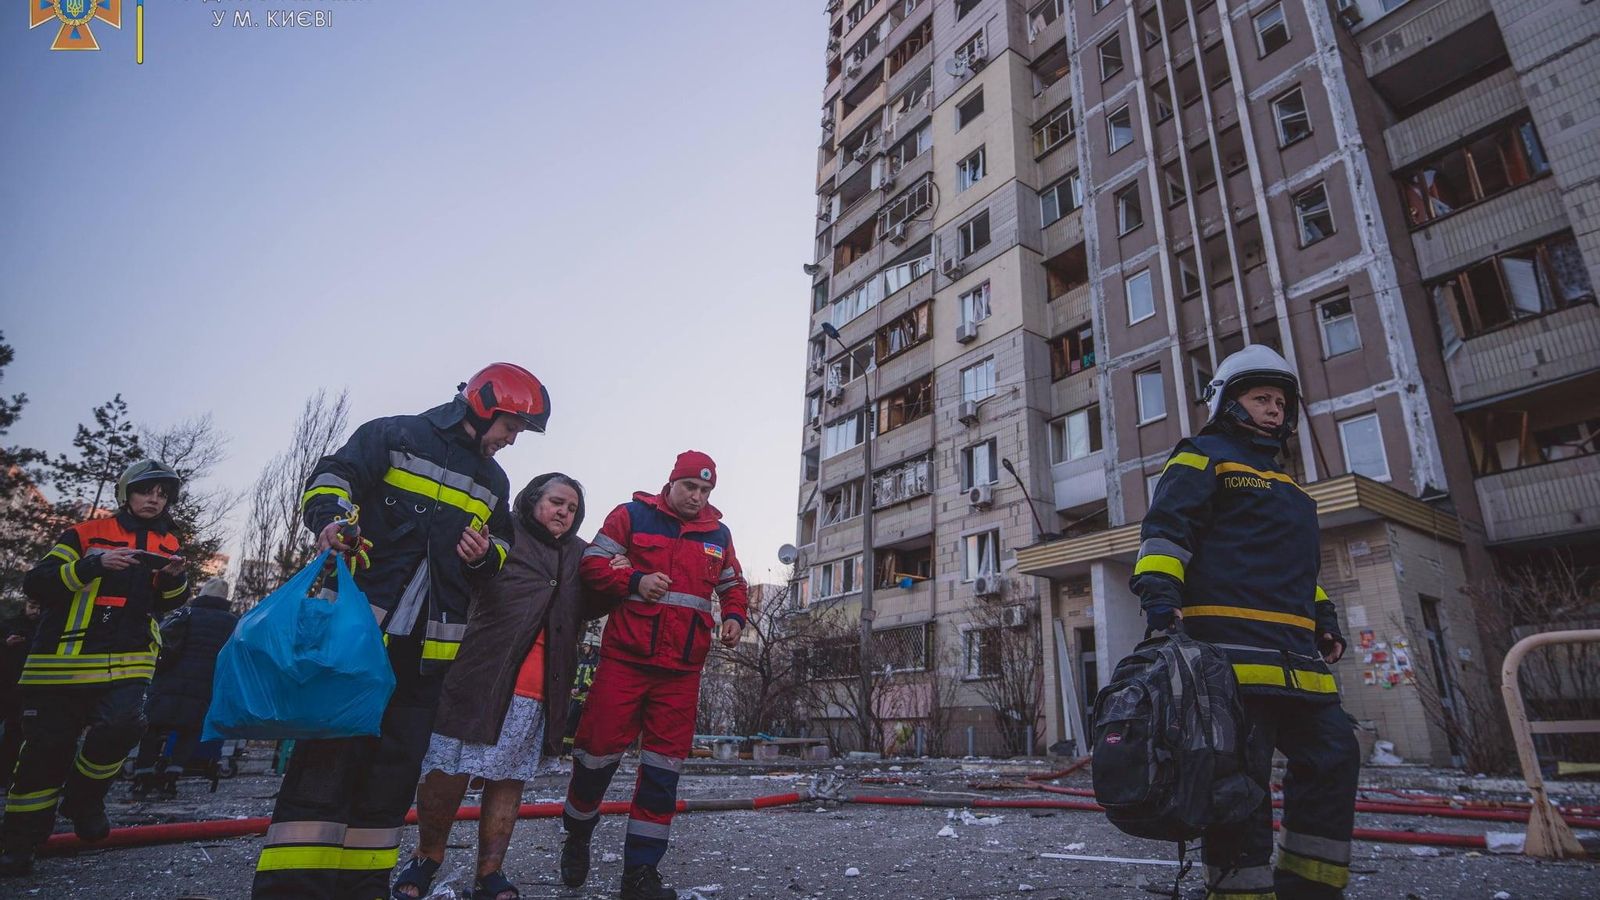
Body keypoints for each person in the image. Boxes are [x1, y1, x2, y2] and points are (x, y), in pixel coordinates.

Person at [252, 363, 548, 900]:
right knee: (324, 767)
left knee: (391, 778)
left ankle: (363, 888)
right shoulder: (395, 436)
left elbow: (502, 546)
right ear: (485, 406)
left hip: (425, 659)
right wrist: (332, 519)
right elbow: (333, 475)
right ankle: (291, 889)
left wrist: (485, 555)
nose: (511, 440)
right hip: (355, 644)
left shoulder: (493, 482)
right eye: (511, 427)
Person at [1130, 345, 1357, 900]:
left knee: (1334, 757)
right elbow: (1166, 531)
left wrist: (1323, 616)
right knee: (1241, 786)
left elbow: (1295, 567)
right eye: (1261, 399)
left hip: (1298, 660)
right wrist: (1160, 592)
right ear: (1228, 403)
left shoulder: (1291, 488)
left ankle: (1311, 887)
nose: (1275, 410)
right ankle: (1241, 893)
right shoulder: (1202, 456)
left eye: (1280, 402)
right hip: (1231, 659)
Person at [393, 473, 613, 900]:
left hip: (538, 690)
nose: (564, 512)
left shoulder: (579, 553)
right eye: (556, 502)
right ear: (532, 500)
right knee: (448, 770)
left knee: (509, 780)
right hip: (480, 677)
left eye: (572, 508)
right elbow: (469, 570)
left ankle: (490, 873)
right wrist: (477, 558)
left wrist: (614, 584)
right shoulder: (504, 531)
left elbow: (588, 602)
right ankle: (426, 857)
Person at [560, 450, 749, 900]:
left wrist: (735, 617)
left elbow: (733, 585)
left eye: (706, 490)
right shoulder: (631, 516)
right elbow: (591, 564)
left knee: (663, 772)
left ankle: (641, 874)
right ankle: (578, 833)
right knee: (594, 757)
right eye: (691, 487)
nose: (697, 497)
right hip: (624, 663)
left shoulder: (718, 534)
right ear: (672, 482)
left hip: (681, 673)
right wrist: (634, 581)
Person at [0, 460, 189, 877]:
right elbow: (37, 583)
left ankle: (84, 798)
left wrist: (174, 579)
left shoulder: (169, 542)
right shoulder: (85, 534)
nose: (154, 499)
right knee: (45, 754)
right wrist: (93, 566)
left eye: (162, 494)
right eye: (145, 491)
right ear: (126, 493)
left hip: (128, 660)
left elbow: (169, 603)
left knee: (124, 726)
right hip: (61, 663)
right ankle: (19, 844)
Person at [130, 577, 239, 799]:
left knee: (151, 729)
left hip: (168, 681)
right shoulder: (232, 623)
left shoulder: (185, 613)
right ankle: (171, 778)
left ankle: (143, 778)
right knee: (189, 732)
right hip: (204, 685)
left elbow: (161, 638)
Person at [0, 599, 42, 793]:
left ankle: (7, 776)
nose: (35, 611)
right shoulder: (8, 625)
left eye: (39, 608)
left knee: (15, 734)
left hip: (26, 690)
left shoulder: (45, 628)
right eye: (32, 607)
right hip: (6, 685)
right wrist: (5, 644)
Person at [564, 638, 600, 752]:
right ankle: (565, 751)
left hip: (587, 699)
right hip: (575, 697)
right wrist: (573, 688)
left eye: (586, 645)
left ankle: (580, 750)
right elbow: (576, 675)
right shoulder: (582, 660)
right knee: (570, 724)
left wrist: (581, 689)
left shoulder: (597, 662)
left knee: (585, 727)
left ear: (592, 647)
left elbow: (593, 679)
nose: (583, 648)